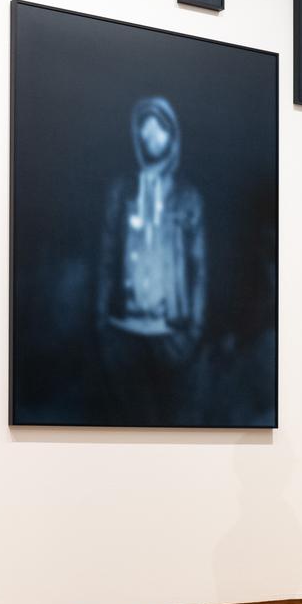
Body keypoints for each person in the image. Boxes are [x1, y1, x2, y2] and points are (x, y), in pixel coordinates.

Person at [96, 96, 206, 424]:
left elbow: (199, 268)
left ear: (172, 135)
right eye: (146, 129)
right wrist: (102, 323)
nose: (151, 135)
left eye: (159, 128)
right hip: (122, 329)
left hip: (173, 333)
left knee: (172, 422)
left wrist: (194, 330)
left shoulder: (188, 197)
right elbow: (106, 259)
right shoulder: (120, 191)